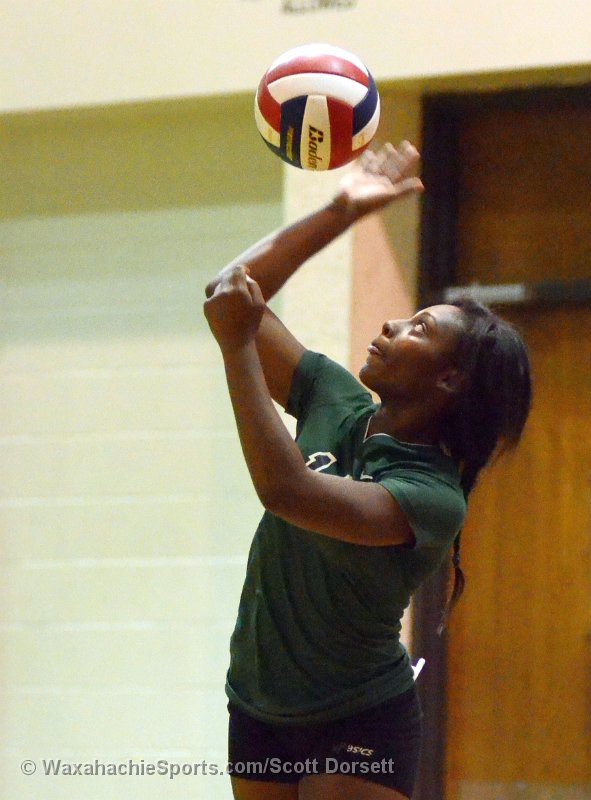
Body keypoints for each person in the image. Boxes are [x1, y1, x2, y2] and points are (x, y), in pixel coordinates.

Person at [204, 142, 532, 800]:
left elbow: (286, 491)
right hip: (258, 701)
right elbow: (230, 292)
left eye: (418, 328)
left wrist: (237, 346)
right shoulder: (334, 396)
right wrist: (341, 211)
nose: (391, 323)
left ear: (448, 379)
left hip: (358, 714)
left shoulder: (431, 496)